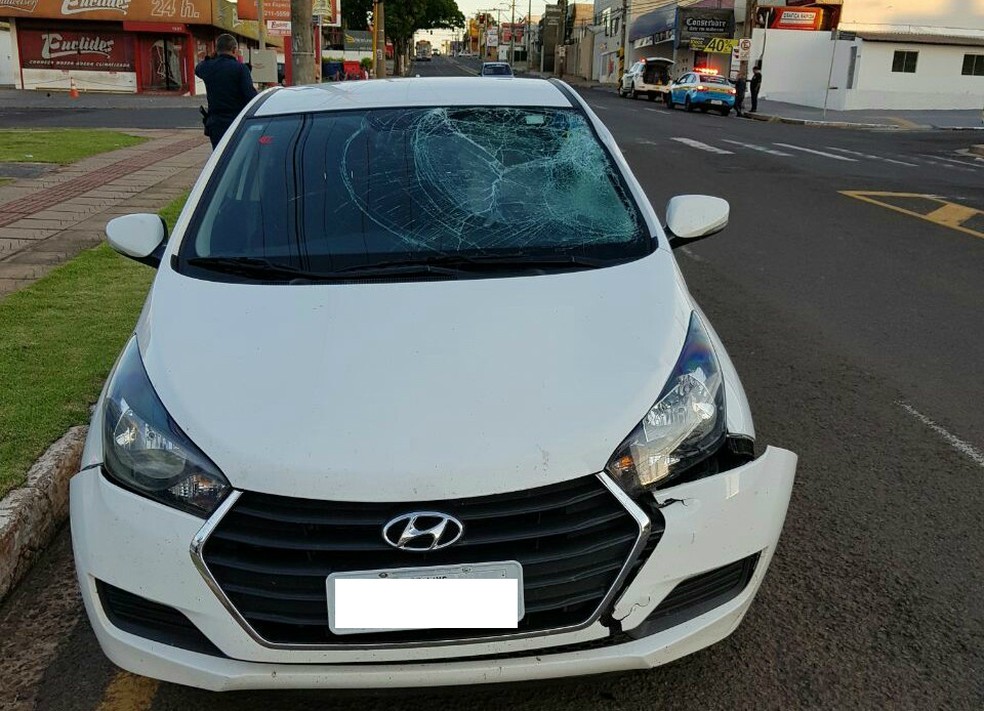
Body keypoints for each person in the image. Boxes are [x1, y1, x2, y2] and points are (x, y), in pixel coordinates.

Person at [195, 34, 257, 149]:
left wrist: (213, 58)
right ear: (234, 50)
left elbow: (198, 69)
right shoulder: (240, 69)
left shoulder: (208, 67)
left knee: (219, 157)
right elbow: (250, 96)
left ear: (217, 50)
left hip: (216, 122)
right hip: (236, 121)